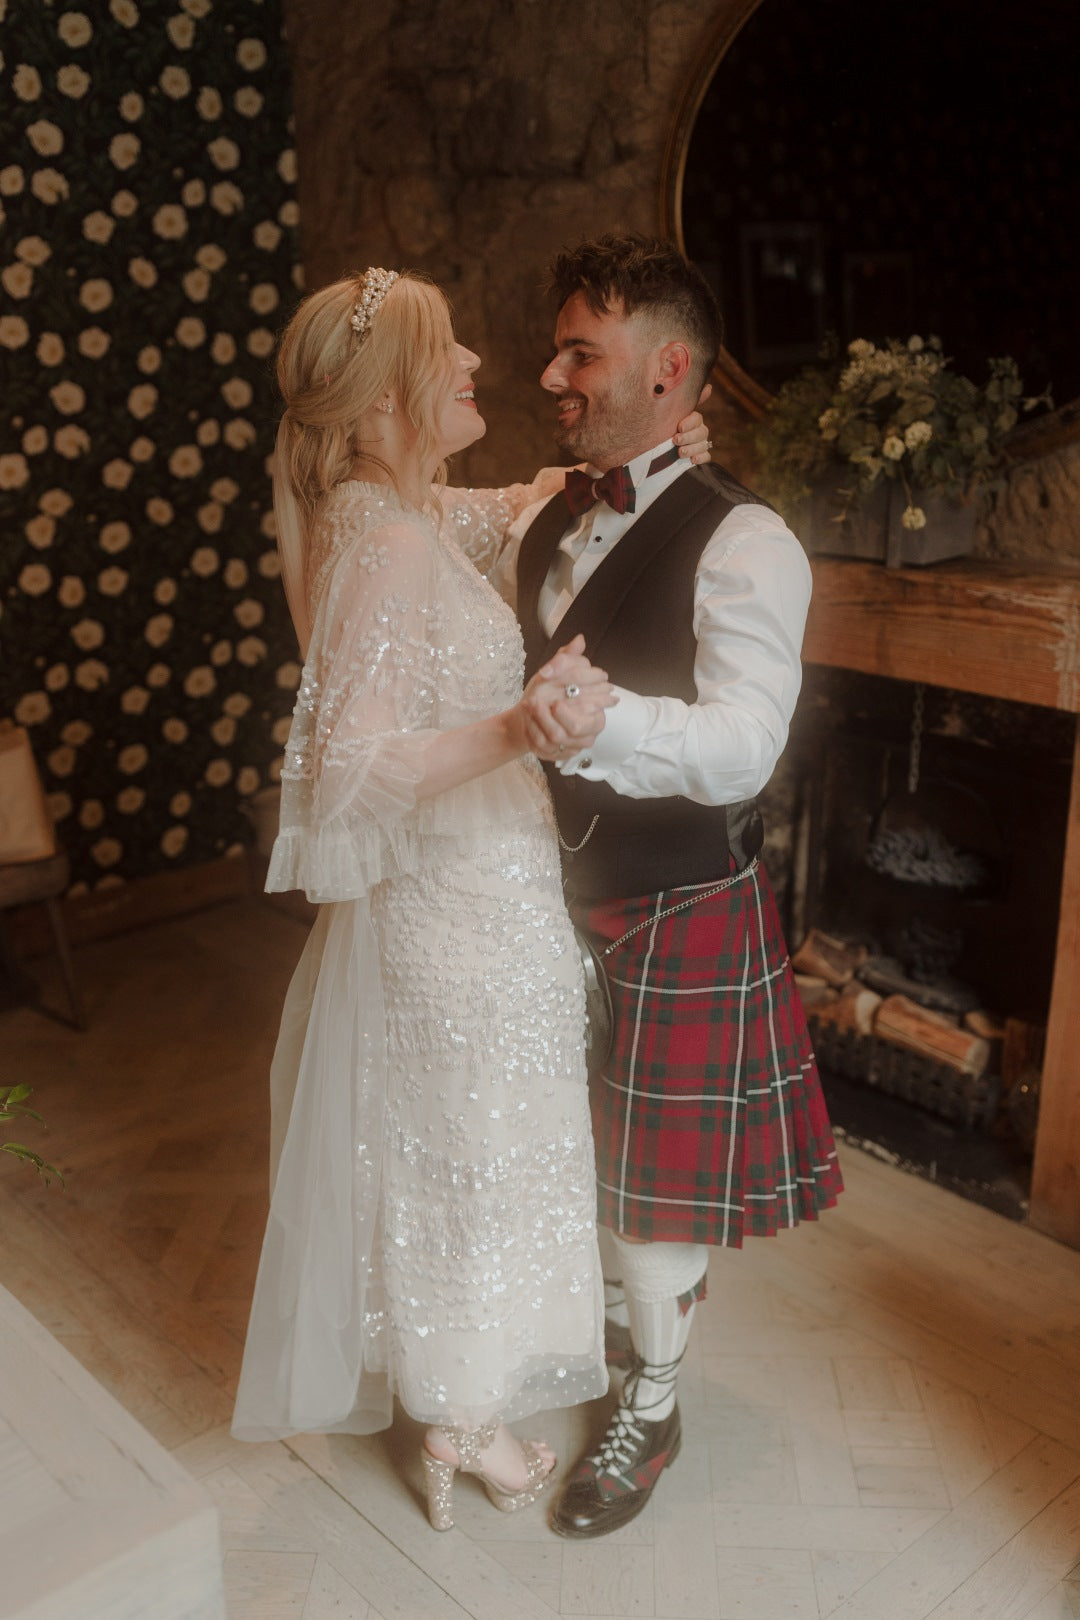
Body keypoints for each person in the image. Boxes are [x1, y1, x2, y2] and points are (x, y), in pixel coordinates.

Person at [230, 266, 710, 1530]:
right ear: (391, 389)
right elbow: (348, 772)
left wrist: (655, 450)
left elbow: (512, 503)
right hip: (457, 910)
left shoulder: (395, 510)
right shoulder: (384, 542)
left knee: (468, 1153)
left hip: (484, 892)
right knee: (473, 1162)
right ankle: (458, 1416)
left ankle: (456, 1397)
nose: (477, 370)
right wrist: (516, 728)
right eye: (450, 354)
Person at [502, 233, 844, 1539]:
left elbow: (746, 747)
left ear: (670, 369)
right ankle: (591, 1329)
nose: (554, 372)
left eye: (579, 350)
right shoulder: (552, 508)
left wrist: (603, 725)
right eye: (556, 347)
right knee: (565, 1148)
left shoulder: (747, 539)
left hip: (676, 902)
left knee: (652, 1192)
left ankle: (656, 1395)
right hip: (537, 887)